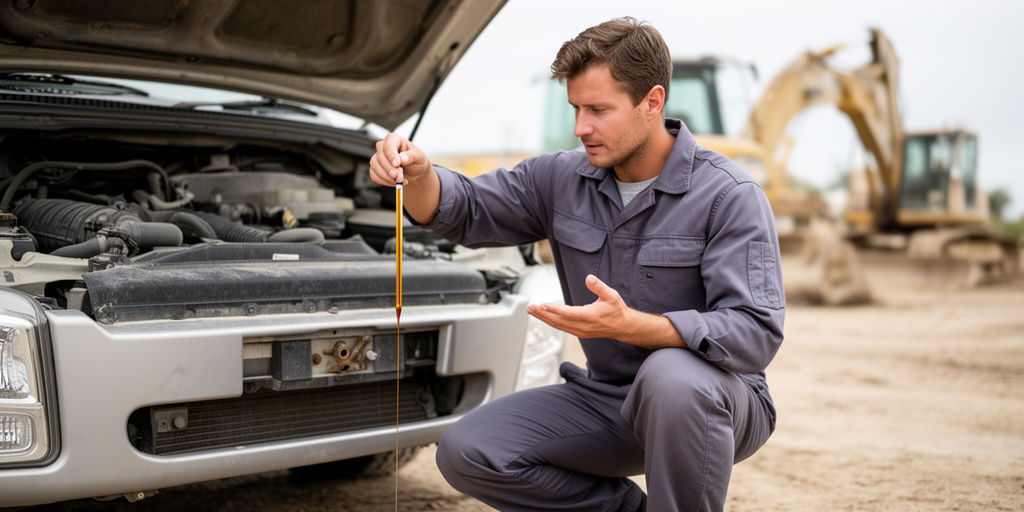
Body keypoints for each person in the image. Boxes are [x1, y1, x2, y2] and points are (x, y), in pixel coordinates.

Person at [369, 17, 784, 512]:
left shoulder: (729, 196)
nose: (580, 127)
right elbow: (466, 208)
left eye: (598, 110)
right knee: (469, 451)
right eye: (575, 108)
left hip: (716, 399)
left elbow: (755, 332)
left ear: (652, 102)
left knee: (672, 376)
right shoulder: (560, 178)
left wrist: (637, 327)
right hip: (610, 401)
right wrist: (418, 172)